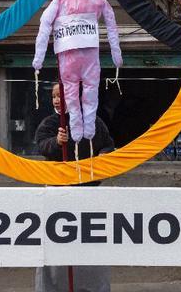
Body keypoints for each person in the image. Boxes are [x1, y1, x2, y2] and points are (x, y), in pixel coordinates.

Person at [34, 84, 114, 292]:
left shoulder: (92, 121)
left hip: (88, 193)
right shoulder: (50, 123)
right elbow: (41, 145)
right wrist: (56, 142)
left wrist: (105, 154)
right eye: (54, 96)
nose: (57, 100)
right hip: (57, 192)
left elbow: (107, 143)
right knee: (53, 247)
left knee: (91, 245)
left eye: (61, 95)